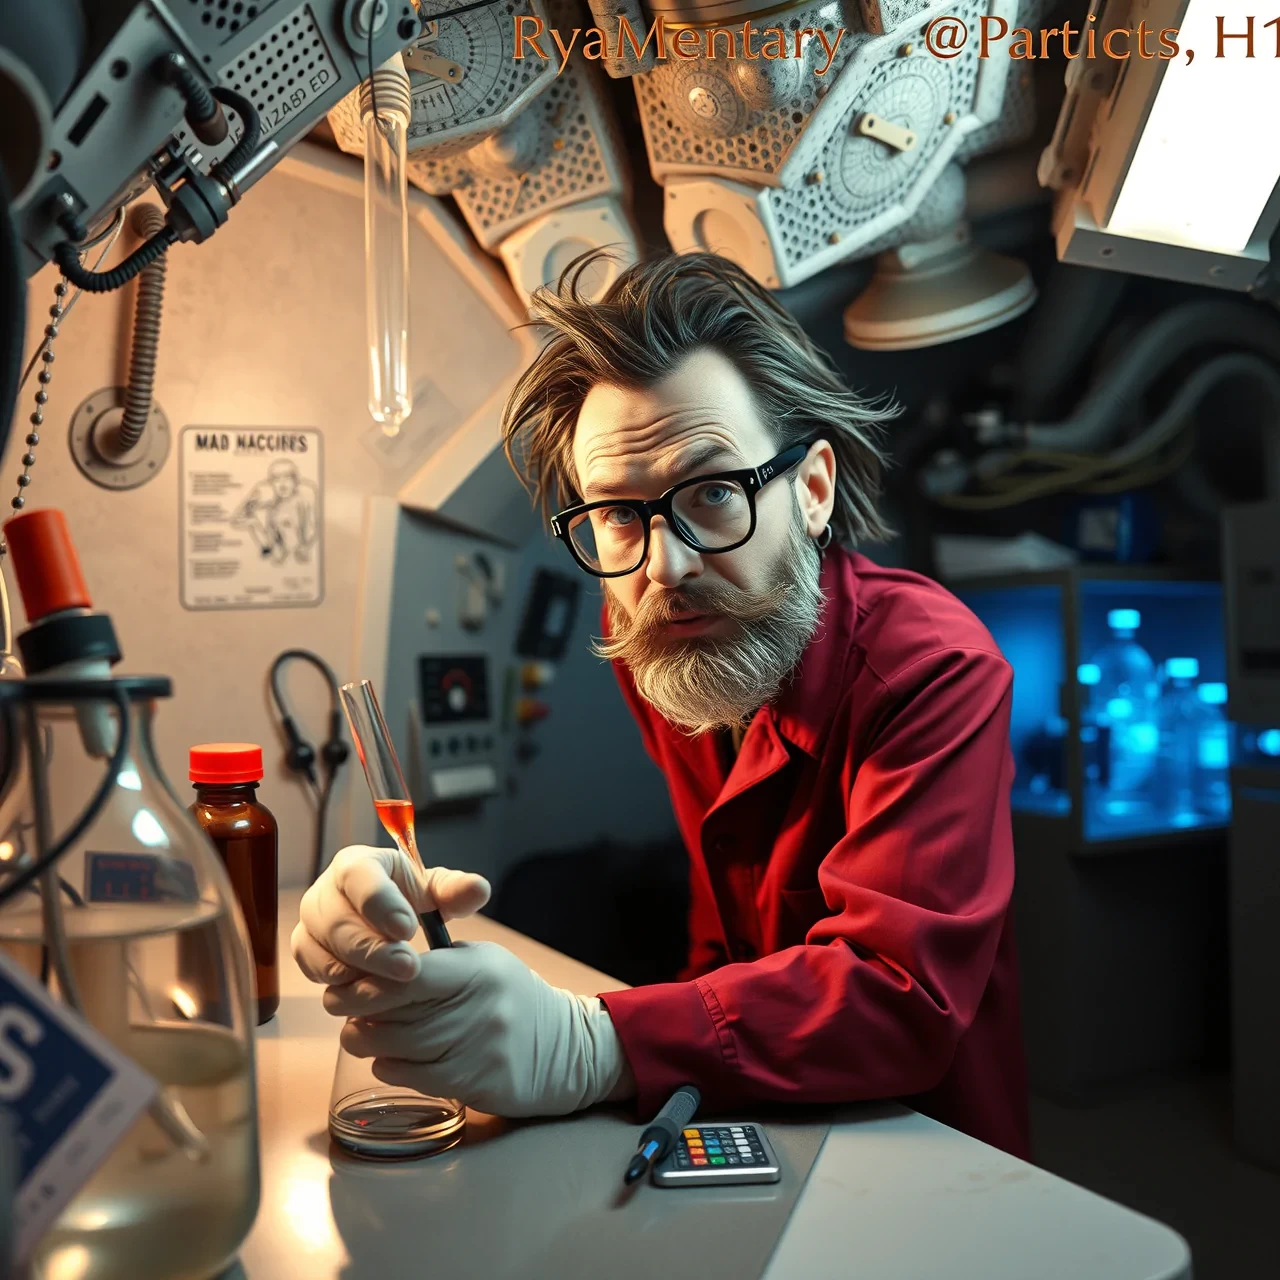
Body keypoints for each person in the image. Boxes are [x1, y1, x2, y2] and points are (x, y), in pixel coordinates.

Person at [291, 252, 1029, 1157]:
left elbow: (896, 998)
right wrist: (412, 948)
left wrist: (593, 1043)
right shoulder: (656, 633)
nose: (662, 568)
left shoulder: (934, 670)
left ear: (812, 488)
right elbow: (721, 941)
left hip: (926, 1150)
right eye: (617, 513)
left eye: (713, 492)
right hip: (753, 1108)